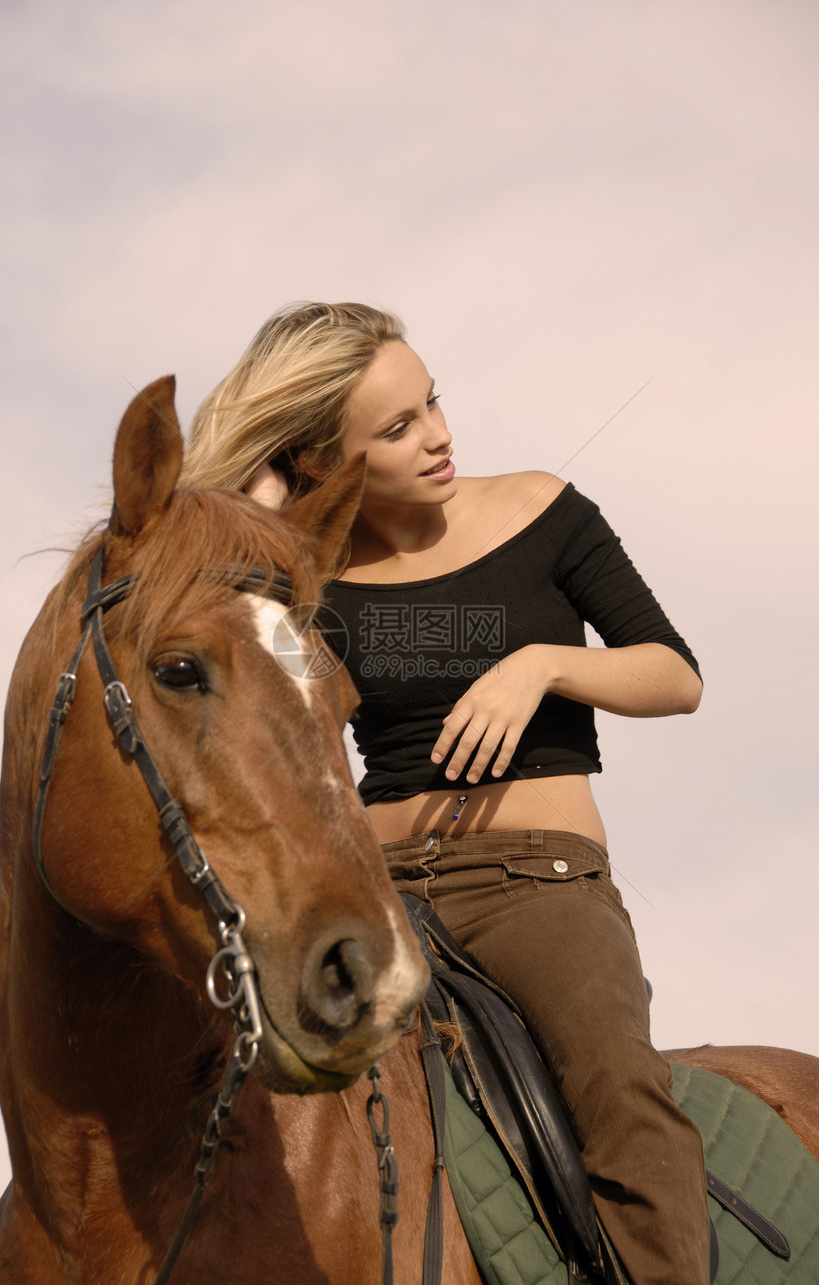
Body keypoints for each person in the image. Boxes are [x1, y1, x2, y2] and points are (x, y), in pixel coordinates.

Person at [184, 302, 710, 1284]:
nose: (436, 435)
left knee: (622, 1099)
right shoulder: (312, 574)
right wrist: (262, 495)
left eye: (429, 403)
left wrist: (542, 665)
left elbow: (672, 674)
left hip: (536, 886)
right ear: (324, 463)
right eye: (395, 428)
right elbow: (214, 631)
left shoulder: (541, 509)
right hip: (379, 894)